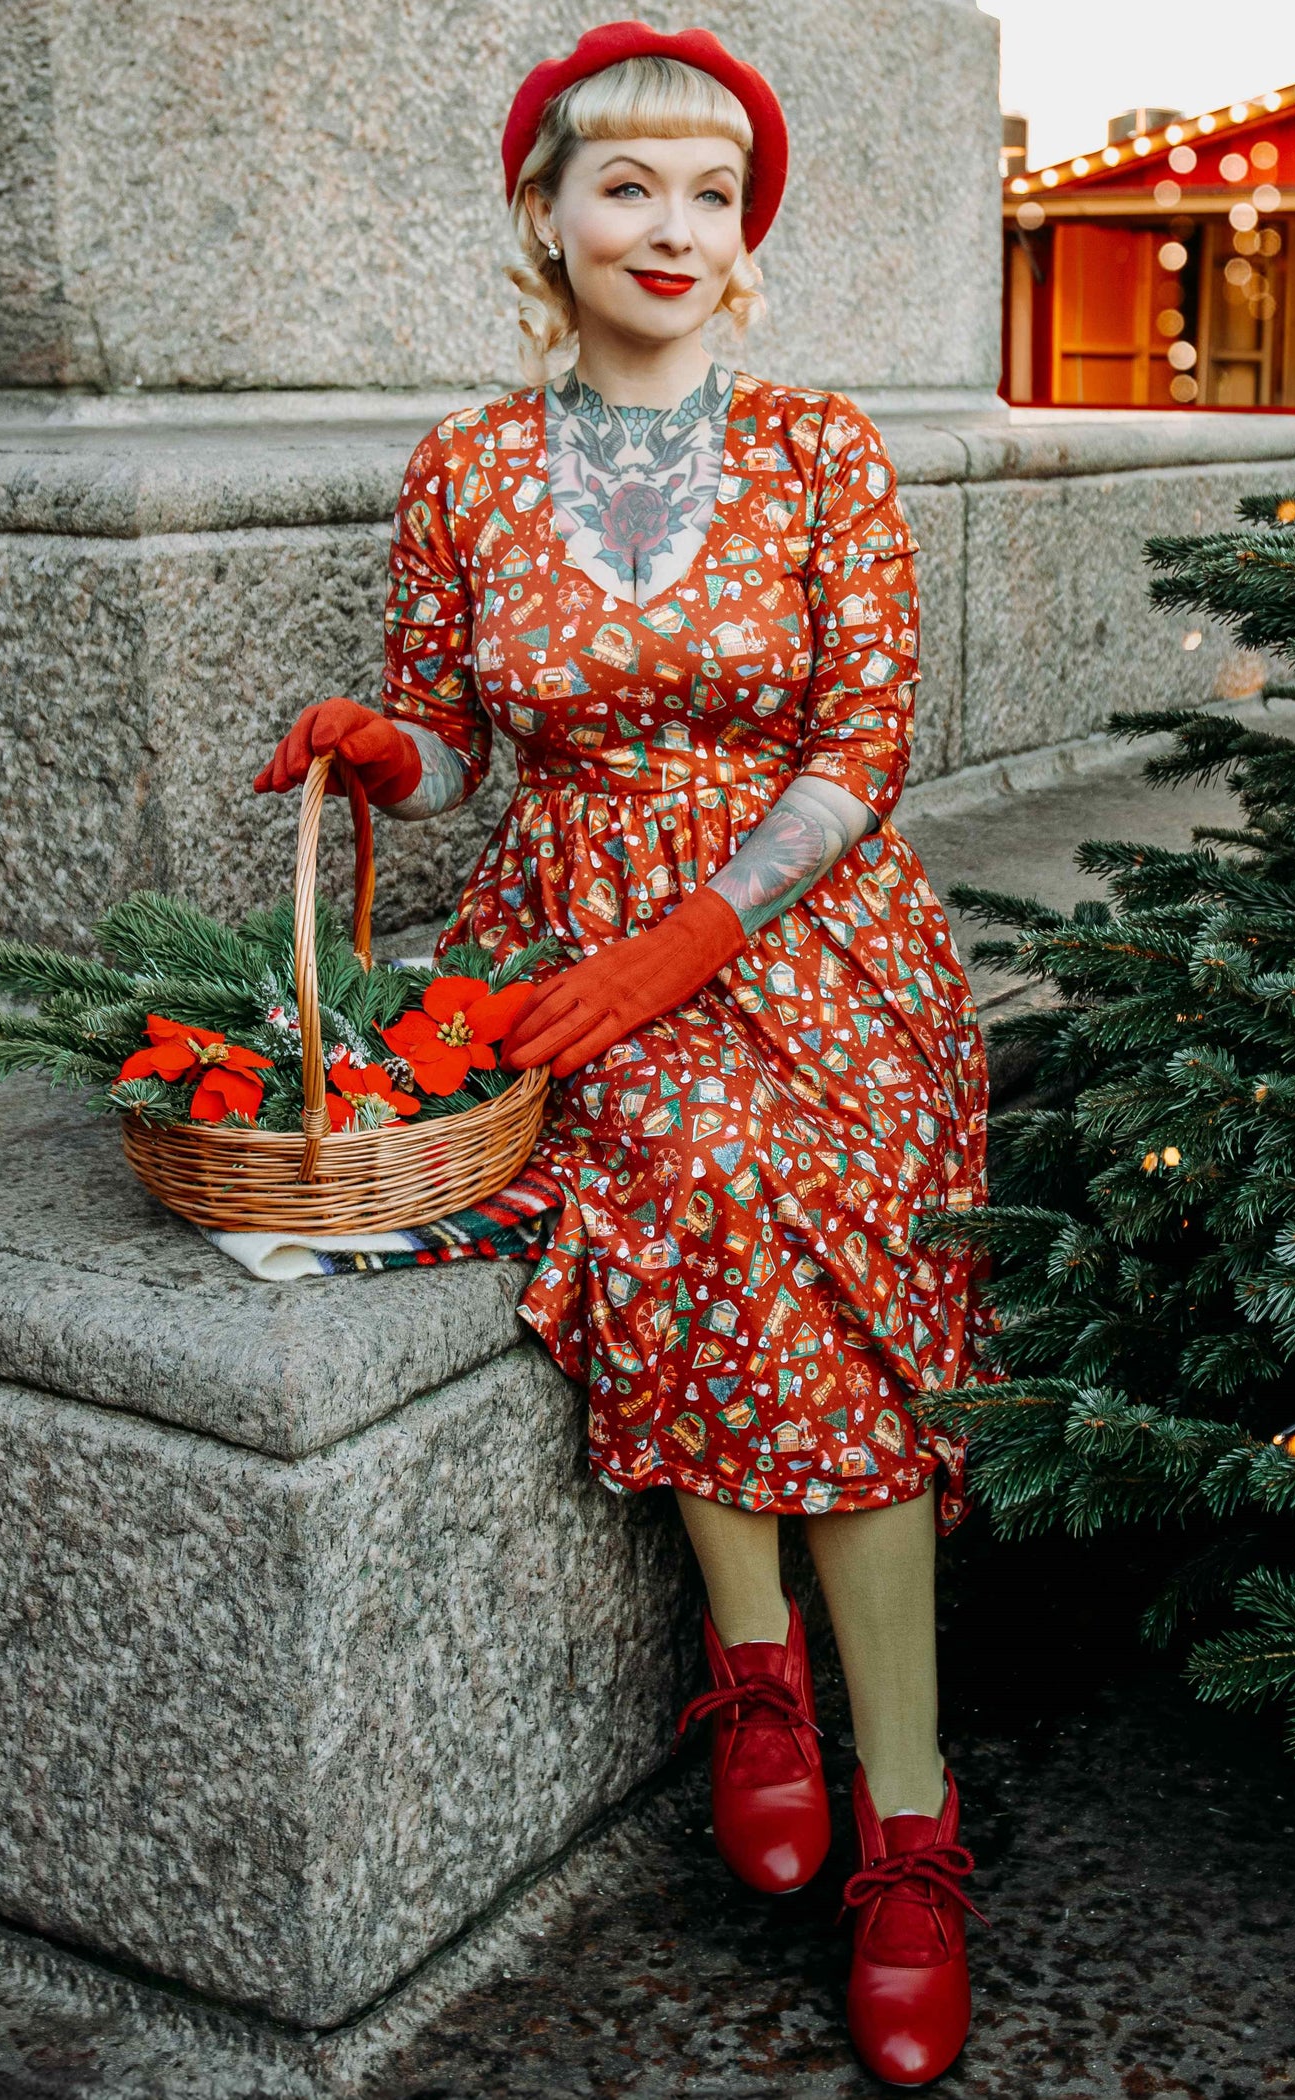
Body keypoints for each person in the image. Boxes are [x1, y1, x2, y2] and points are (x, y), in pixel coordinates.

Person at [256, 22, 992, 2086]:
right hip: (564, 926)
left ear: (742, 231)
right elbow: (447, 723)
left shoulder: (825, 447)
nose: (670, 228)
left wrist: (703, 928)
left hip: (799, 916)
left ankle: (904, 1824)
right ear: (547, 218)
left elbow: (860, 748)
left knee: (804, 1174)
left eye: (706, 191)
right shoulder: (469, 466)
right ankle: (755, 1674)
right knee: (682, 1146)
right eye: (624, 187)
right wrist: (372, 748)